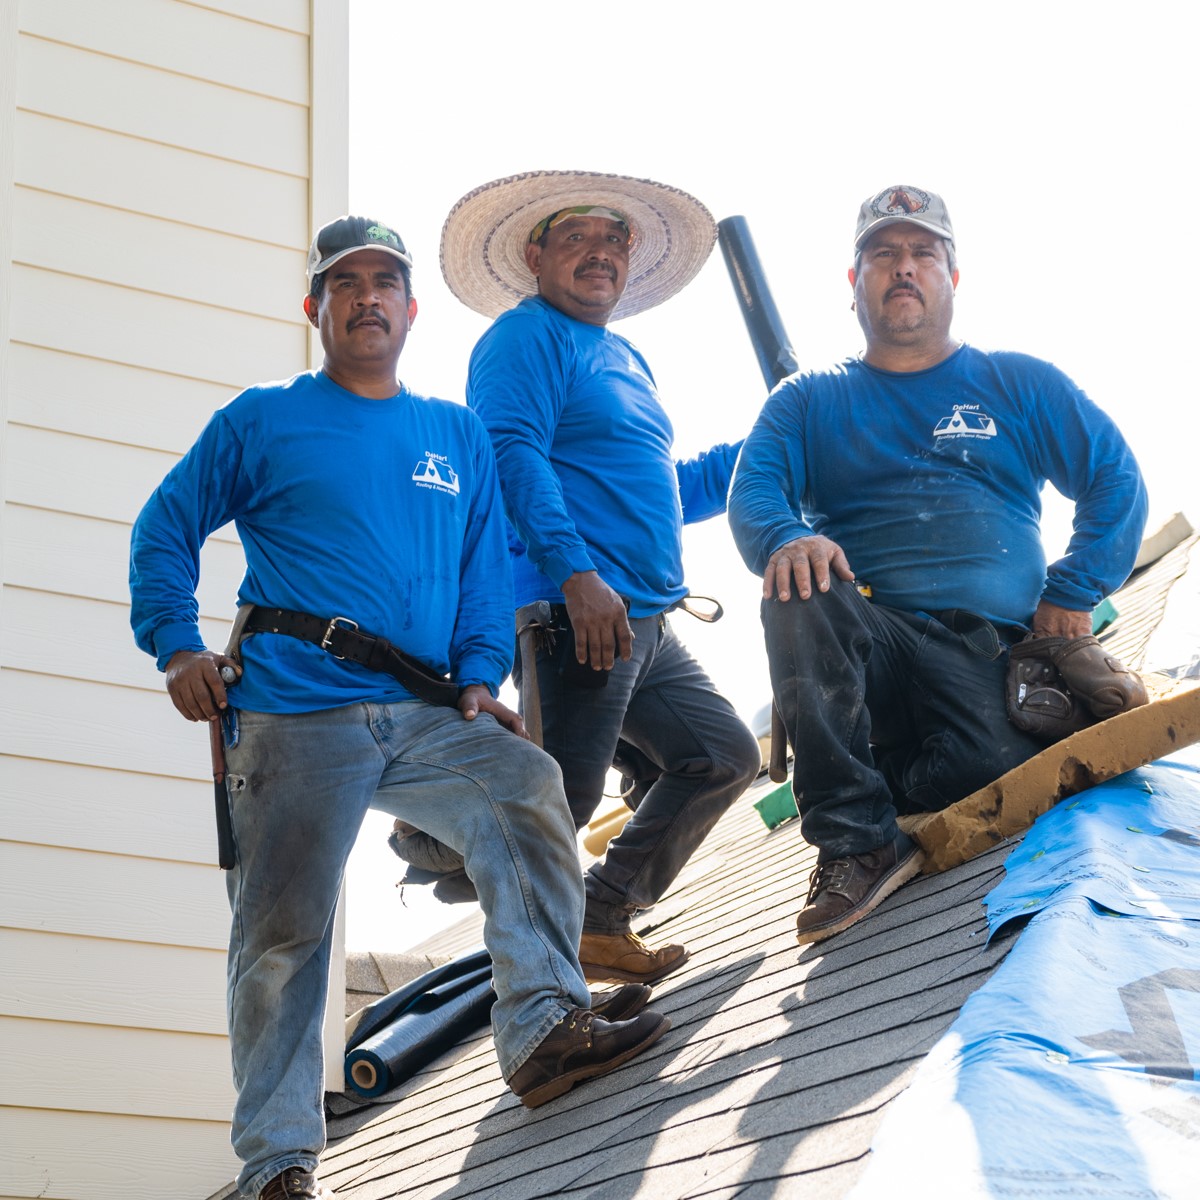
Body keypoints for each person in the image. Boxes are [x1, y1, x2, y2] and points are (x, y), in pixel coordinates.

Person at [128, 216, 669, 1200]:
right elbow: (165, 529)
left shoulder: (455, 435)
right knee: (282, 938)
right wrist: (175, 645)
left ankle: (544, 1028)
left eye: (384, 282)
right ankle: (277, 1165)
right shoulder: (262, 420)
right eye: (347, 283)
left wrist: (478, 680)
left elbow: (478, 578)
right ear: (317, 308)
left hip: (422, 713)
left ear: (411, 309)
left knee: (528, 785)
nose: (367, 297)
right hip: (294, 714)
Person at [728, 184, 1148, 946]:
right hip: (875, 657)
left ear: (953, 277)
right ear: (852, 283)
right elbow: (752, 493)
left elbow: (1116, 479)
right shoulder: (807, 401)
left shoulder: (1016, 382)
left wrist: (1073, 588)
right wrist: (787, 536)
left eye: (923, 253)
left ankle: (891, 785)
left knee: (993, 765)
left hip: (992, 658)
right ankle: (856, 842)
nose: (904, 267)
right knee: (797, 583)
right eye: (883, 254)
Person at [438, 171, 762, 986]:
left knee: (721, 756)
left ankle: (603, 913)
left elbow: (664, 488)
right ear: (535, 254)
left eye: (615, 238)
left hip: (644, 620)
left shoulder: (623, 355)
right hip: (572, 609)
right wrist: (574, 573)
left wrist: (772, 444)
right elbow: (509, 452)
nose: (600, 251)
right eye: (576, 235)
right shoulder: (525, 337)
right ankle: (536, 990)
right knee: (557, 807)